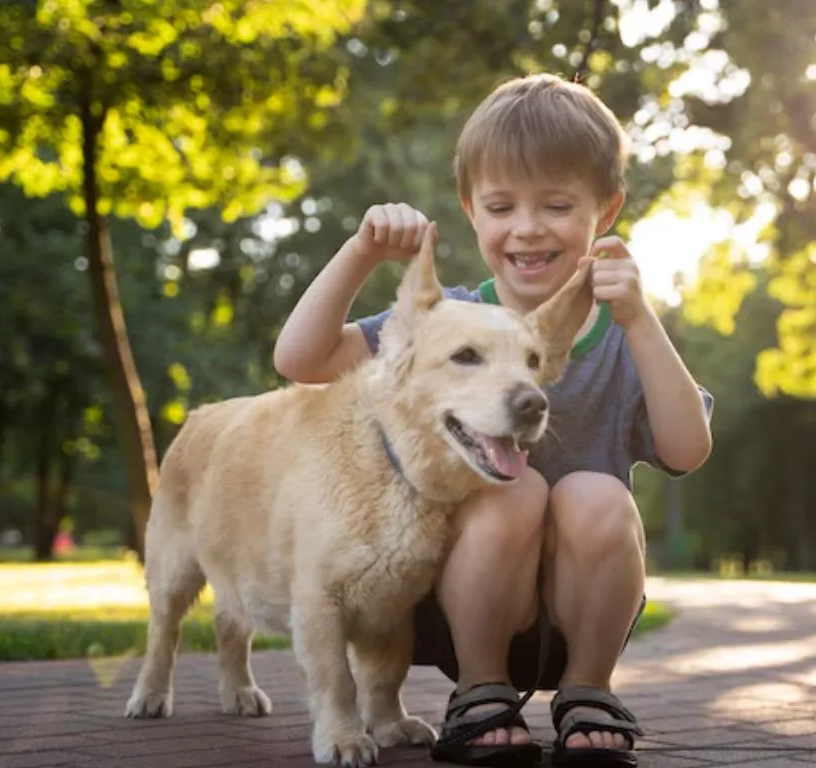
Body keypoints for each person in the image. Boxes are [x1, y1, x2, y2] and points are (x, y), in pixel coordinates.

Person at [273, 72, 713, 767]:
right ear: (470, 211)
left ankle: (589, 691)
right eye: (502, 205)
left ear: (605, 210)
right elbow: (301, 359)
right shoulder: (447, 322)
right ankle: (480, 691)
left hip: (582, 615)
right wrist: (362, 252)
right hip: (459, 612)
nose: (528, 227)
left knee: (595, 494)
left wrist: (640, 319)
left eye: (557, 204)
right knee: (513, 489)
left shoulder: (626, 334)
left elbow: (687, 451)